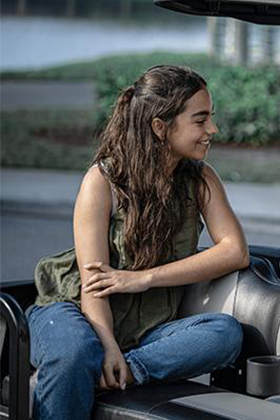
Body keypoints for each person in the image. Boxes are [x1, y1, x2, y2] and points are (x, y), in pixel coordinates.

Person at [28, 65, 249, 420]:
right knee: (74, 354)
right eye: (200, 119)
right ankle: (95, 364)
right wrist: (108, 345)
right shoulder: (102, 181)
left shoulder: (201, 180)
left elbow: (234, 251)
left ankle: (118, 373)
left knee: (224, 332)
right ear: (160, 127)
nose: (213, 130)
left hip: (148, 334)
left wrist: (144, 278)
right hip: (76, 314)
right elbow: (93, 284)